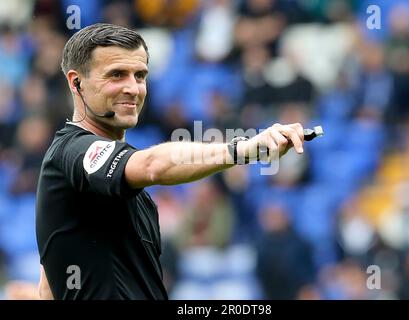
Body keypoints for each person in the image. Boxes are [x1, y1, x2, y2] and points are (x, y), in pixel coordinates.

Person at [35, 23, 306, 300]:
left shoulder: (108, 189)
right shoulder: (72, 151)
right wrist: (245, 149)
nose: (133, 88)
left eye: (139, 76)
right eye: (116, 75)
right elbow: (153, 165)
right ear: (76, 82)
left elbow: (49, 284)